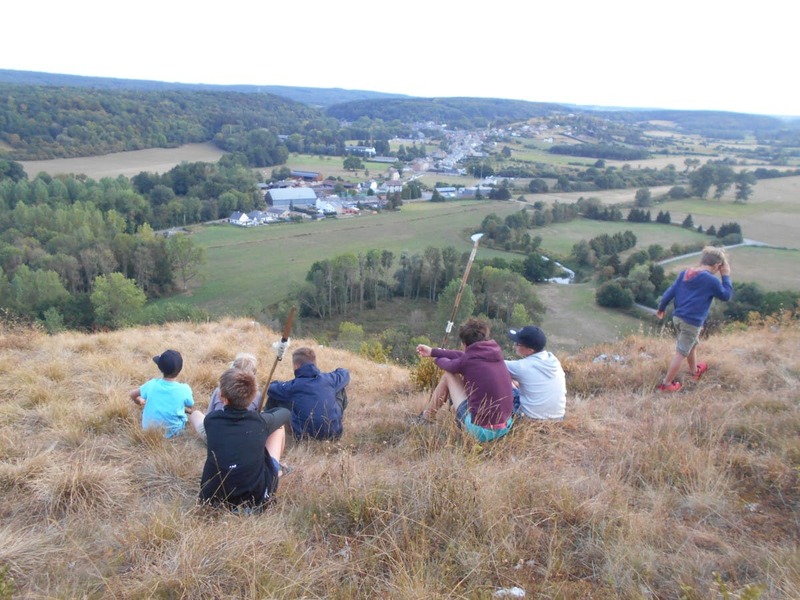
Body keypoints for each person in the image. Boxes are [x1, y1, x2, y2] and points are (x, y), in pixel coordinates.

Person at [199, 368, 291, 510]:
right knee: (279, 428)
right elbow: (285, 413)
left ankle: (275, 468)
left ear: (222, 395)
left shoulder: (211, 420)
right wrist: (267, 415)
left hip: (213, 499)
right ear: (254, 396)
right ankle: (275, 468)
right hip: (255, 501)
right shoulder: (260, 422)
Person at [416, 317, 514, 442]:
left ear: (464, 344)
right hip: (505, 427)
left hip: (481, 432)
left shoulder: (468, 361)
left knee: (448, 376)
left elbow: (450, 365)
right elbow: (463, 356)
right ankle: (429, 416)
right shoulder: (495, 354)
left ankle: (427, 417)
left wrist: (435, 358)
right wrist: (433, 352)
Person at [656, 246, 733, 392]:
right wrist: (726, 276)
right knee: (681, 352)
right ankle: (666, 385)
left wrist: (661, 308)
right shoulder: (711, 280)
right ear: (718, 266)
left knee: (691, 345)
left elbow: (670, 291)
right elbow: (726, 296)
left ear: (702, 260)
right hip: (691, 321)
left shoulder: (686, 273)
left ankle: (694, 372)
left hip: (677, 317)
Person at [267, 347, 350, 440]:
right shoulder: (330, 379)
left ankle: (266, 427)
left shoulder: (292, 386)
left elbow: (270, 388)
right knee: (339, 387)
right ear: (315, 364)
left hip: (304, 436)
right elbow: (345, 372)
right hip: (335, 434)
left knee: (275, 396)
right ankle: (334, 422)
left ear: (296, 366)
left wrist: (280, 383)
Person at [188, 352, 260, 437]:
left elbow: (209, 416)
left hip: (215, 436)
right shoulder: (257, 395)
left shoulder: (220, 391)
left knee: (195, 414)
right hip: (243, 436)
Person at [505, 325, 566, 420]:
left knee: (502, 383)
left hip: (531, 419)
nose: (515, 345)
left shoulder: (522, 367)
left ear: (530, 350)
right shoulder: (554, 361)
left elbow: (495, 364)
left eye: (518, 343)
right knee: (513, 383)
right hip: (558, 418)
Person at [129, 349, 194, 438]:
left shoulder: (151, 384)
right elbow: (190, 406)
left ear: (160, 368)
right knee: (192, 413)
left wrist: (139, 400)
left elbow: (132, 394)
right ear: (179, 370)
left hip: (149, 430)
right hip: (174, 432)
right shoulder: (184, 389)